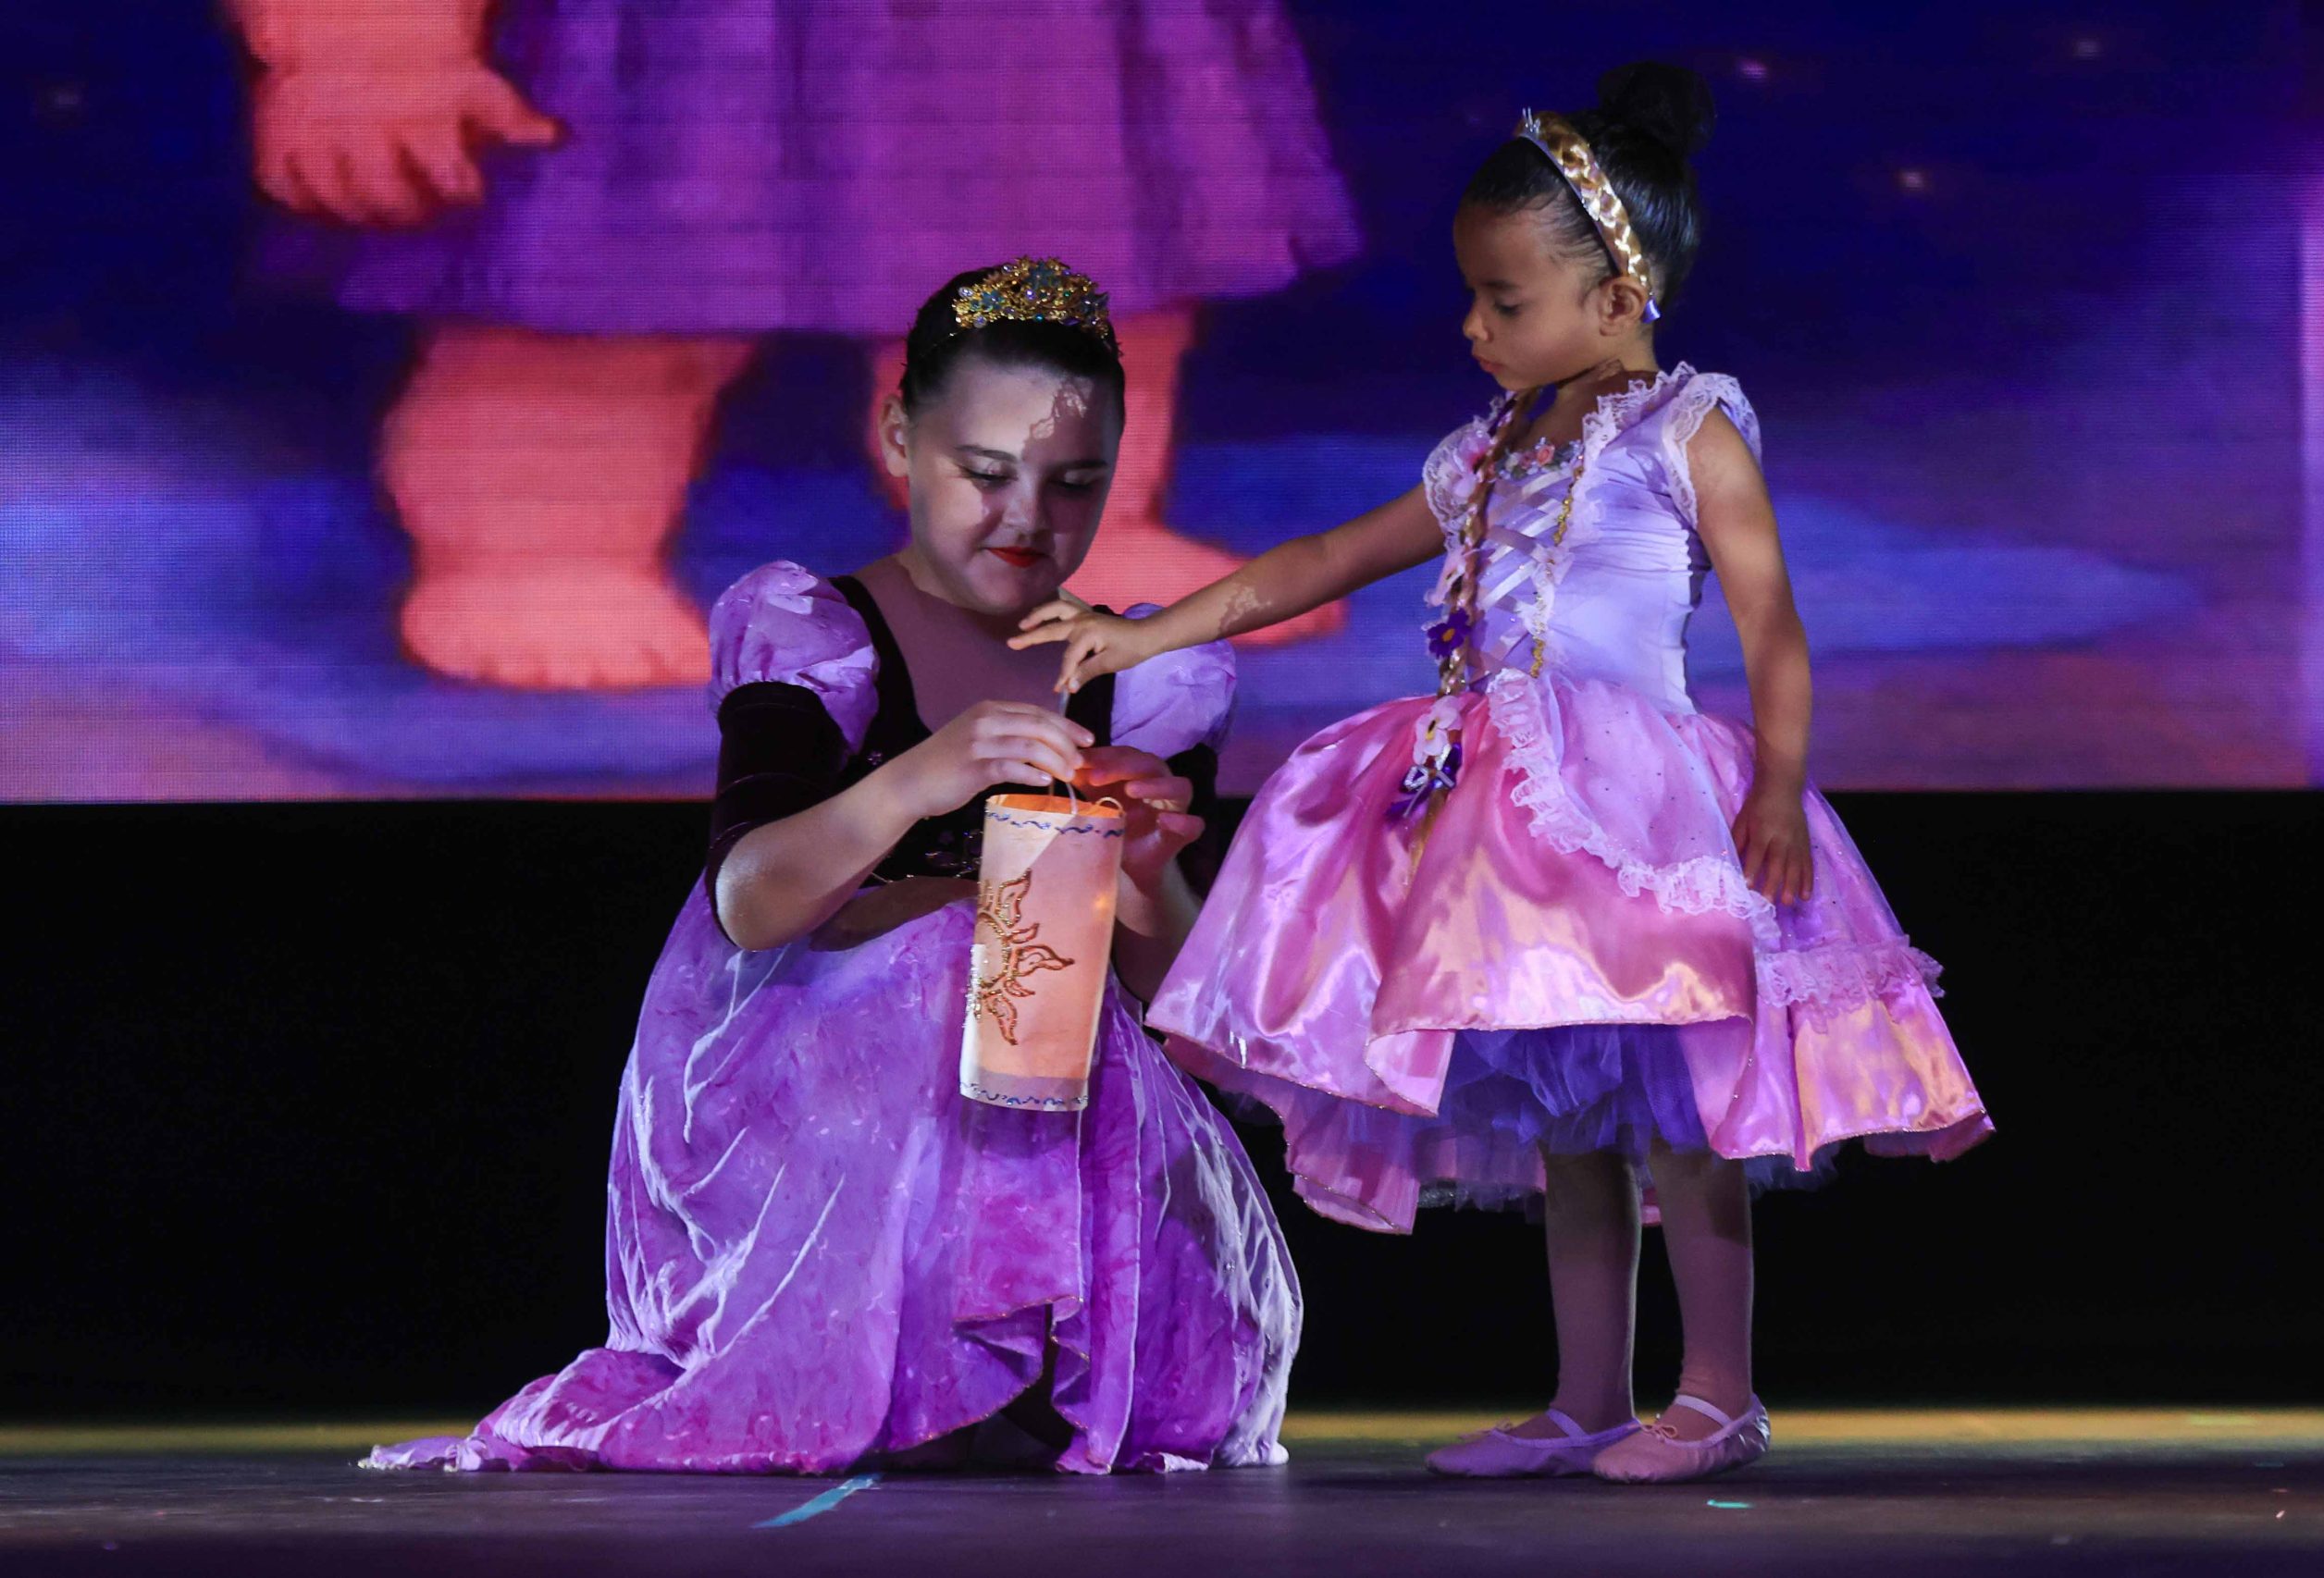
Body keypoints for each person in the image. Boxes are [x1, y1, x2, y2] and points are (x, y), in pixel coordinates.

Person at [1014, 66, 1990, 1485]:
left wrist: (1777, 788)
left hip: (1642, 809)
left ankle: (1718, 1391)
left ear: (1619, 293)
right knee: (1571, 1119)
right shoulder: (1483, 451)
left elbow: (1772, 622)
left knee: (1686, 1109)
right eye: (1473, 297)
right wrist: (1149, 629)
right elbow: (1323, 559)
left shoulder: (1687, 428)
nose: (1474, 327)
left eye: (1504, 301)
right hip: (1511, 825)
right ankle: (1589, 1395)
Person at [366, 260, 1297, 1473]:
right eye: (986, 473)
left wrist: (1147, 875)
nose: (1027, 517)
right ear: (900, 437)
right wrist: (923, 775)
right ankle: (900, 1365)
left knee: (1022, 978)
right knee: (961, 949)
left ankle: (1019, 1361)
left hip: (1054, 1090)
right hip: (799, 1090)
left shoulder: (1146, 671)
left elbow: (1177, 1002)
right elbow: (751, 905)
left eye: (1074, 482)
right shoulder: (817, 632)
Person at [230, 0, 1355, 689]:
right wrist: (363, 39)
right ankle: (539, 548)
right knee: (599, 292)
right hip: (653, 44)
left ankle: (1049, 537)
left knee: (1053, 286)